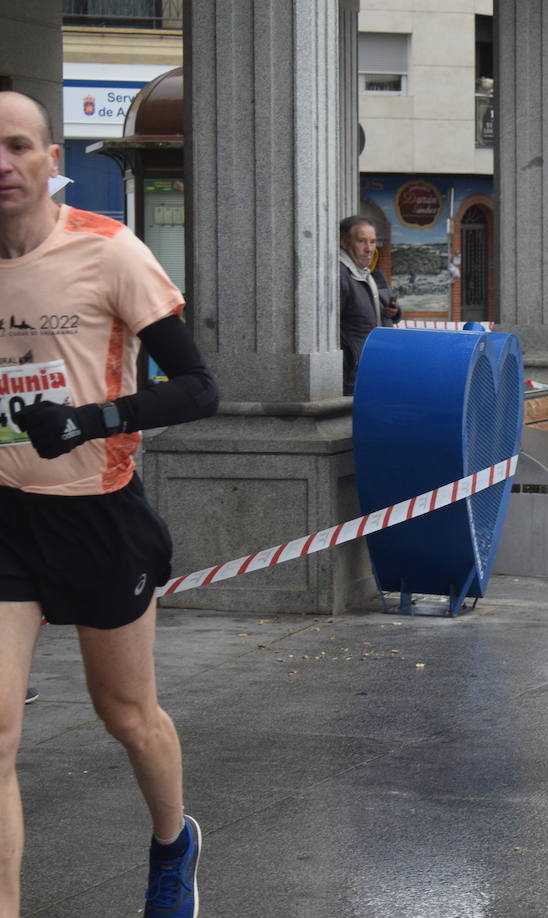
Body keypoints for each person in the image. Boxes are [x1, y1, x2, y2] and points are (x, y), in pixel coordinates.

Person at [0, 90, 219, 918]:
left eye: (18, 145)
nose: (2, 164)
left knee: (126, 713)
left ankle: (172, 843)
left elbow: (198, 388)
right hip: (6, 515)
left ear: (51, 160)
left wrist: (90, 420)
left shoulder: (110, 251)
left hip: (98, 511)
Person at [339, 215, 401, 395]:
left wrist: (392, 311)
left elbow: (368, 306)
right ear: (344, 242)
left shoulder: (366, 273)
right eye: (361, 241)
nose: (369, 249)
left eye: (373, 242)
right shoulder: (340, 275)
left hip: (368, 368)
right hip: (350, 375)